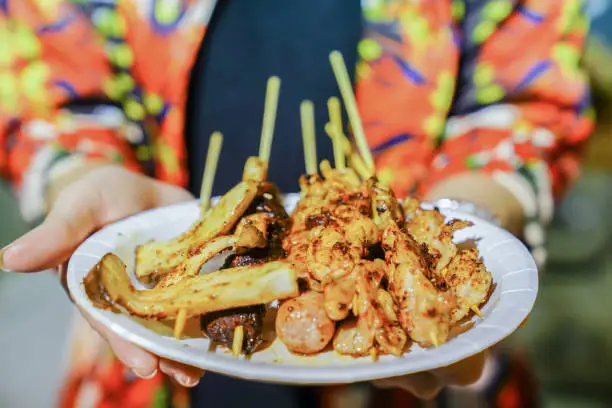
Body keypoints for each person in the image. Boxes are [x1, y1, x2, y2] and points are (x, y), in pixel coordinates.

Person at [0, 0, 591, 407]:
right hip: (154, 363)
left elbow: (528, 100)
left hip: (430, 387)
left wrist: (474, 219)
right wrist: (84, 174)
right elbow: (49, 84)